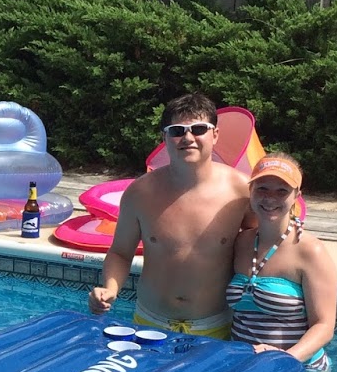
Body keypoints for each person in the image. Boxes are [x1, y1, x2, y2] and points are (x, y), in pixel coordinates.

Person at [87, 93, 252, 336]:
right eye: (176, 131)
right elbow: (120, 252)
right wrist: (110, 288)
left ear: (215, 134)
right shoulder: (140, 192)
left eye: (199, 129)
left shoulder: (241, 191)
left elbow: (264, 245)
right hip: (149, 323)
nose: (188, 138)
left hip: (215, 327)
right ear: (164, 138)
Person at [227, 153, 337, 372]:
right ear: (250, 190)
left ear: (297, 195)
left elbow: (324, 326)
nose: (270, 198)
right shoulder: (241, 242)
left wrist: (285, 359)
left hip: (298, 370)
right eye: (262, 188)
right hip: (245, 367)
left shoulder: (310, 251)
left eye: (282, 191)